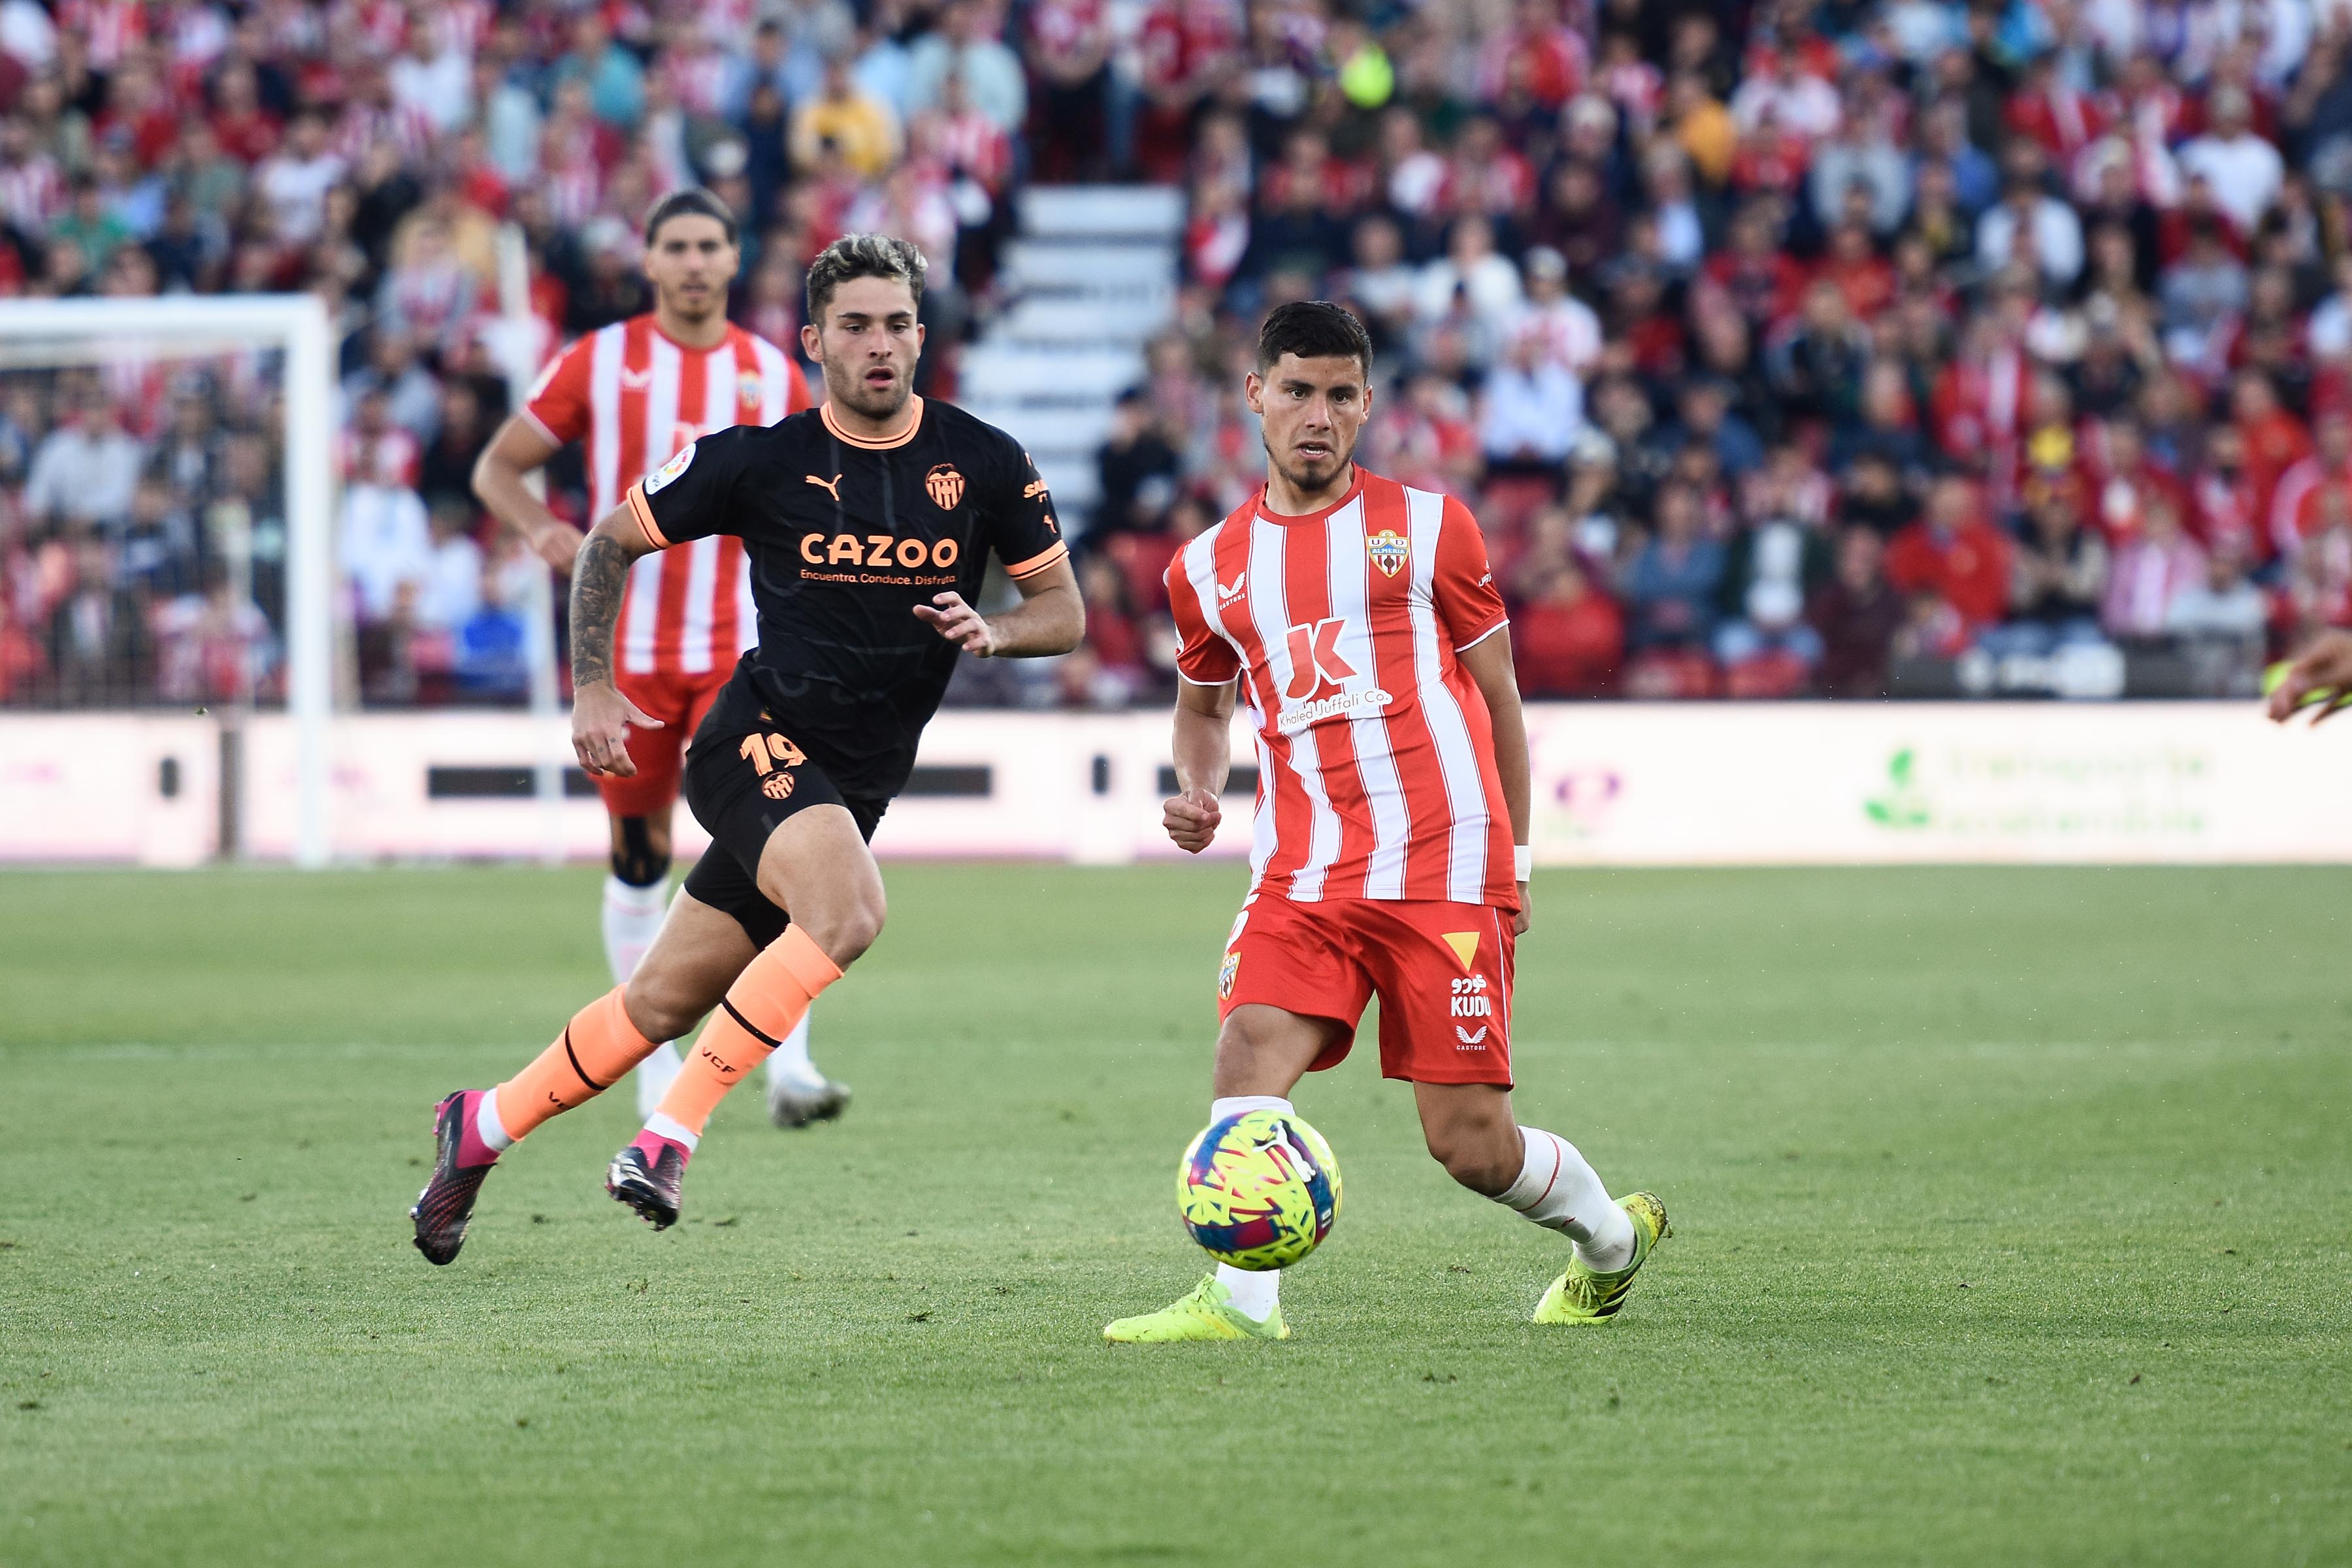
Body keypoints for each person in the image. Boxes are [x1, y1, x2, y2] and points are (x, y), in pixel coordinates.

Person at [414, 235, 1084, 1264]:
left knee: (658, 1001)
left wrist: (997, 630)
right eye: (856, 326)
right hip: (751, 744)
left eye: (898, 324)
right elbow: (609, 540)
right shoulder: (759, 460)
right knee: (851, 912)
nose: (880, 345)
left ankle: (483, 1125)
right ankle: (668, 1136)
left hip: (853, 787)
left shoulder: (985, 461)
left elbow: (1064, 612)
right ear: (814, 340)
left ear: (921, 335)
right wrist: (595, 683)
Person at [1103, 302, 1666, 1343]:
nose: (1317, 415)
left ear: (1367, 406)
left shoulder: (1431, 527)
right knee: (1247, 1054)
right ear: (1254, 397)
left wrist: (1518, 864)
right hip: (1302, 873)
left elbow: (1499, 699)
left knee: (1471, 1148)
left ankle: (1611, 1243)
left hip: (1445, 864)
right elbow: (1202, 703)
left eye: (1340, 395)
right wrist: (1198, 786)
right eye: (1297, 391)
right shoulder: (1209, 569)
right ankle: (1240, 1302)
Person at [470, 188, 848, 1130]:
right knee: (640, 857)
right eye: (674, 246)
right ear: (649, 262)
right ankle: (651, 1062)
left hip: (740, 653)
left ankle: (789, 1064)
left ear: (732, 260)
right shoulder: (601, 363)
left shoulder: (769, 370)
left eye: (708, 245)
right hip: (628, 656)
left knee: (770, 849)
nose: (691, 262)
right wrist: (543, 530)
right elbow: (497, 467)